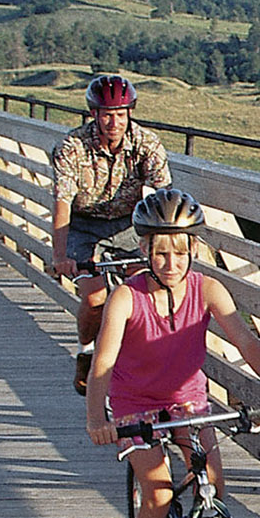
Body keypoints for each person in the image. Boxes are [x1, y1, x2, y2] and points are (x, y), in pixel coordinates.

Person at [85, 188, 260, 518]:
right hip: (134, 406)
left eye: (180, 252)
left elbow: (246, 342)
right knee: (158, 494)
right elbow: (103, 362)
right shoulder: (127, 297)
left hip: (187, 402)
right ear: (144, 251)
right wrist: (98, 418)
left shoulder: (208, 290)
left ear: (193, 249)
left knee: (214, 485)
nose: (171, 263)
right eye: (160, 253)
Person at [51, 73, 170, 393]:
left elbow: (163, 197)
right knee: (94, 297)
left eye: (120, 114)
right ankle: (87, 352)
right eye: (106, 115)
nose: (113, 122)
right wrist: (60, 256)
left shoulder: (147, 143)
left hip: (129, 224)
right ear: (94, 114)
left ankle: (143, 356)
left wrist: (167, 245)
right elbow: (62, 203)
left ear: (130, 112)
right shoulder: (72, 146)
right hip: (84, 223)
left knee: (143, 289)